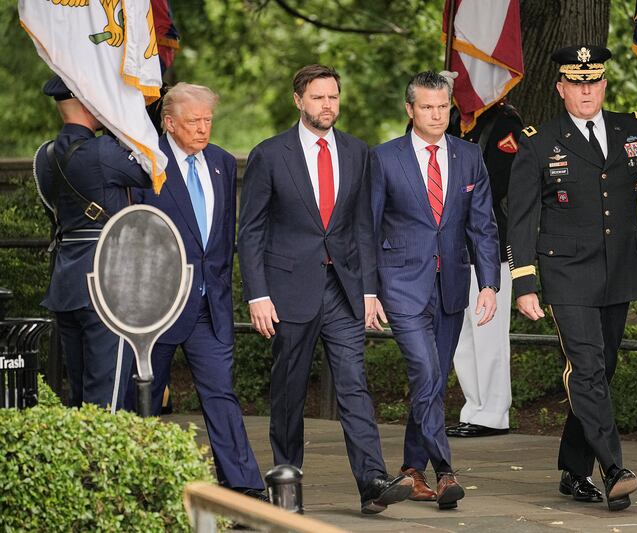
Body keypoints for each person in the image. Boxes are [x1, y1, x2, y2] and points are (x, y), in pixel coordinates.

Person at [506, 45, 637, 512]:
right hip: (566, 274)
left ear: (603, 85)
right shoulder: (540, 141)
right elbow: (521, 218)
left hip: (619, 270)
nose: (586, 91)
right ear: (561, 88)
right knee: (585, 370)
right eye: (576, 83)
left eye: (593, 82)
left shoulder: (631, 131)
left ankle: (572, 467)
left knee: (599, 373)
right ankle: (613, 469)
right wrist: (524, 281)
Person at [237, 64, 412, 514]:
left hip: (344, 289)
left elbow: (362, 228)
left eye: (333, 97)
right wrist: (257, 294)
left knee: (354, 384)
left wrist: (369, 290)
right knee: (290, 391)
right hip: (288, 291)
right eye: (318, 98)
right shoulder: (270, 154)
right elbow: (251, 231)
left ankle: (371, 479)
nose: (327, 105)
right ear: (298, 100)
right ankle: (287, 485)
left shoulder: (357, 152)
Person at [370, 71, 500, 510]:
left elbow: (482, 226)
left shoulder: (469, 156)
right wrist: (370, 293)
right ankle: (444, 471)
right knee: (425, 374)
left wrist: (489, 284)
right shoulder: (384, 158)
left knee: (433, 380)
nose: (437, 114)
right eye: (427, 107)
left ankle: (411, 469)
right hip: (401, 285)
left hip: (452, 286)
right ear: (410, 110)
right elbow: (367, 229)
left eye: (443, 106)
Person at [131, 82, 267, 501]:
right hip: (159, 306)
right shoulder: (144, 162)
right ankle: (134, 482)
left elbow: (226, 238)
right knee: (145, 396)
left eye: (208, 120)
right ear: (169, 123)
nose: (203, 128)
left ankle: (243, 487)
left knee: (221, 393)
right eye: (194, 121)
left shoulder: (223, 163)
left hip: (211, 306)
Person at [33, 75, 151, 411]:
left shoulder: (44, 155)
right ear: (88, 103)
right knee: (107, 395)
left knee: (79, 392)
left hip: (67, 281)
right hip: (105, 280)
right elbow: (152, 169)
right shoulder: (102, 151)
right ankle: (103, 464)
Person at [447, 97, 521, 439]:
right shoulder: (450, 119)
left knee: (488, 333)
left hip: (487, 244)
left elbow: (499, 183)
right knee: (462, 335)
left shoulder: (504, 122)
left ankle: (494, 412)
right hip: (452, 245)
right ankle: (474, 408)